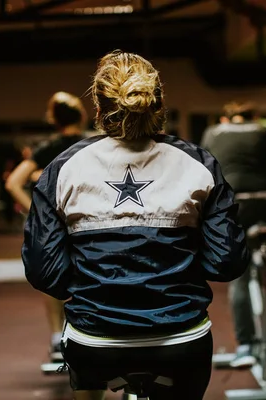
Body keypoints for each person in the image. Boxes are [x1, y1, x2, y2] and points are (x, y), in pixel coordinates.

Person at [22, 50, 249, 400]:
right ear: (158, 105)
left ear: (97, 110)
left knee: (89, 374)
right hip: (181, 340)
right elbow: (226, 262)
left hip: (96, 341)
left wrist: (93, 288)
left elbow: (44, 273)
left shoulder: (63, 168)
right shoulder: (198, 164)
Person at [201, 101, 266, 368]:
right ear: (255, 117)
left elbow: (207, 170)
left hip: (235, 203)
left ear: (225, 118)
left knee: (239, 277)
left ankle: (246, 345)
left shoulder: (213, 133)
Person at [5, 91, 88, 362]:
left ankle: (57, 337)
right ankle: (88, 330)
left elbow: (12, 183)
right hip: (87, 220)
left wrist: (41, 213)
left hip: (55, 224)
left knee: (54, 276)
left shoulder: (47, 148)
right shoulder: (93, 144)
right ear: (82, 115)